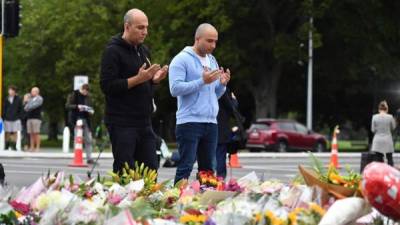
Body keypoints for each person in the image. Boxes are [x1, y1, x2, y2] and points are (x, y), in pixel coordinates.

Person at [100, 8, 168, 173]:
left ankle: (148, 199)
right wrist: (139, 79)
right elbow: (107, 86)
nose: (145, 32)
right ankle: (121, 199)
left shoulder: (143, 50)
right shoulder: (112, 51)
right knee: (125, 170)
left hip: (144, 122)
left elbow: (144, 86)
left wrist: (154, 80)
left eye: (146, 27)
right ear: (127, 26)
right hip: (121, 122)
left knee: (150, 168)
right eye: (140, 27)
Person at [169, 23, 231, 184]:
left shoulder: (212, 60)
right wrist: (201, 81)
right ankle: (175, 202)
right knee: (186, 167)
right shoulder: (181, 59)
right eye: (209, 41)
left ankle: (205, 205)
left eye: (215, 41)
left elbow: (213, 94)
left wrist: (222, 85)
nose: (213, 45)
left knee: (209, 169)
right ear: (197, 39)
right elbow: (174, 89)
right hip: (189, 121)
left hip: (210, 122)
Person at [66, 84, 95, 164]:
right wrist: (77, 106)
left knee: (88, 139)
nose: (85, 93)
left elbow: (91, 107)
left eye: (87, 92)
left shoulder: (88, 97)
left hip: (86, 119)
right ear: (82, 89)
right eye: (84, 91)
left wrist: (90, 110)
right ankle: (77, 157)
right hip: (76, 120)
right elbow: (68, 106)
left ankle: (89, 158)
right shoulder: (74, 94)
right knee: (77, 139)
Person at [216, 88, 239, 179]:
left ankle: (205, 180)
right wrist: (234, 100)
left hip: (206, 126)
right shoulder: (222, 89)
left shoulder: (206, 85)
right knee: (220, 155)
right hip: (221, 128)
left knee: (206, 156)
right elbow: (231, 108)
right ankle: (220, 179)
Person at [371, 100, 396, 166]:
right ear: (386, 109)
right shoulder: (390, 117)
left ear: (379, 109)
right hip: (387, 140)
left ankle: (378, 175)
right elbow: (393, 127)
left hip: (378, 140)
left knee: (377, 159)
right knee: (389, 158)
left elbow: (373, 130)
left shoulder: (374, 117)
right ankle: (391, 174)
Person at [2, 85, 23, 150]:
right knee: (7, 132)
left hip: (16, 118)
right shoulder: (6, 99)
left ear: (14, 91)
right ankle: (7, 145)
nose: (10, 92)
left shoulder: (18, 99)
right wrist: (4, 117)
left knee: (15, 132)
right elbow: (4, 108)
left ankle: (14, 145)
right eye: (9, 90)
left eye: (11, 90)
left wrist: (19, 116)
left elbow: (20, 109)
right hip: (7, 118)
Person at [24, 87, 43, 152]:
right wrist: (27, 102)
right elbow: (25, 108)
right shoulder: (31, 99)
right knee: (31, 133)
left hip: (36, 118)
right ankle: (32, 147)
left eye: (33, 91)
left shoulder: (39, 98)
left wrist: (28, 103)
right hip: (29, 118)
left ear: (37, 92)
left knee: (36, 133)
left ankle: (37, 147)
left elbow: (34, 106)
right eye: (31, 91)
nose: (31, 93)